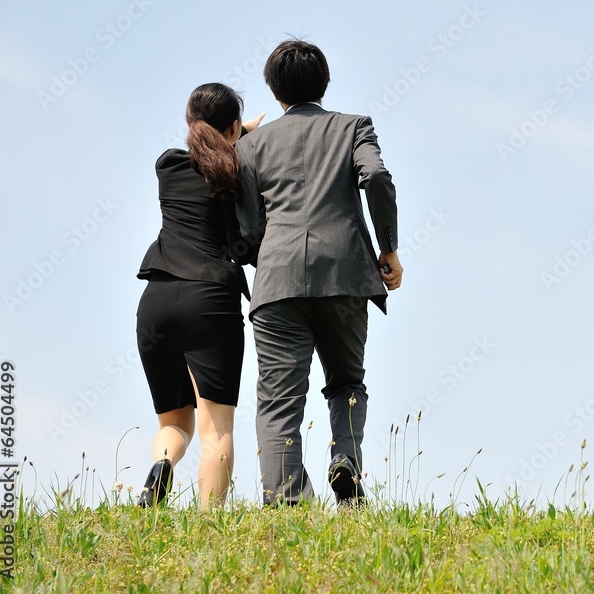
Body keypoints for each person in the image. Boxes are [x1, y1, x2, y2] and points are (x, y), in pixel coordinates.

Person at [236, 39, 402, 507]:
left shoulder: (250, 145)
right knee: (347, 383)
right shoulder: (354, 126)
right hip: (346, 275)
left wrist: (269, 253)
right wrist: (389, 249)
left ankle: (287, 503)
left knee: (279, 401)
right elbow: (377, 177)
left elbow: (247, 226)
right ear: (325, 82)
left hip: (277, 281)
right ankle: (345, 461)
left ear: (273, 91)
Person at [134, 83, 263, 508]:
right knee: (216, 430)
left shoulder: (167, 165)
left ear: (189, 121)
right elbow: (245, 241)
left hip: (157, 300)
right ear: (232, 128)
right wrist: (243, 135)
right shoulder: (236, 174)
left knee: (175, 424)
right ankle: (209, 527)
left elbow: (206, 147)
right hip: (210, 300)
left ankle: (162, 465)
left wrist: (235, 131)